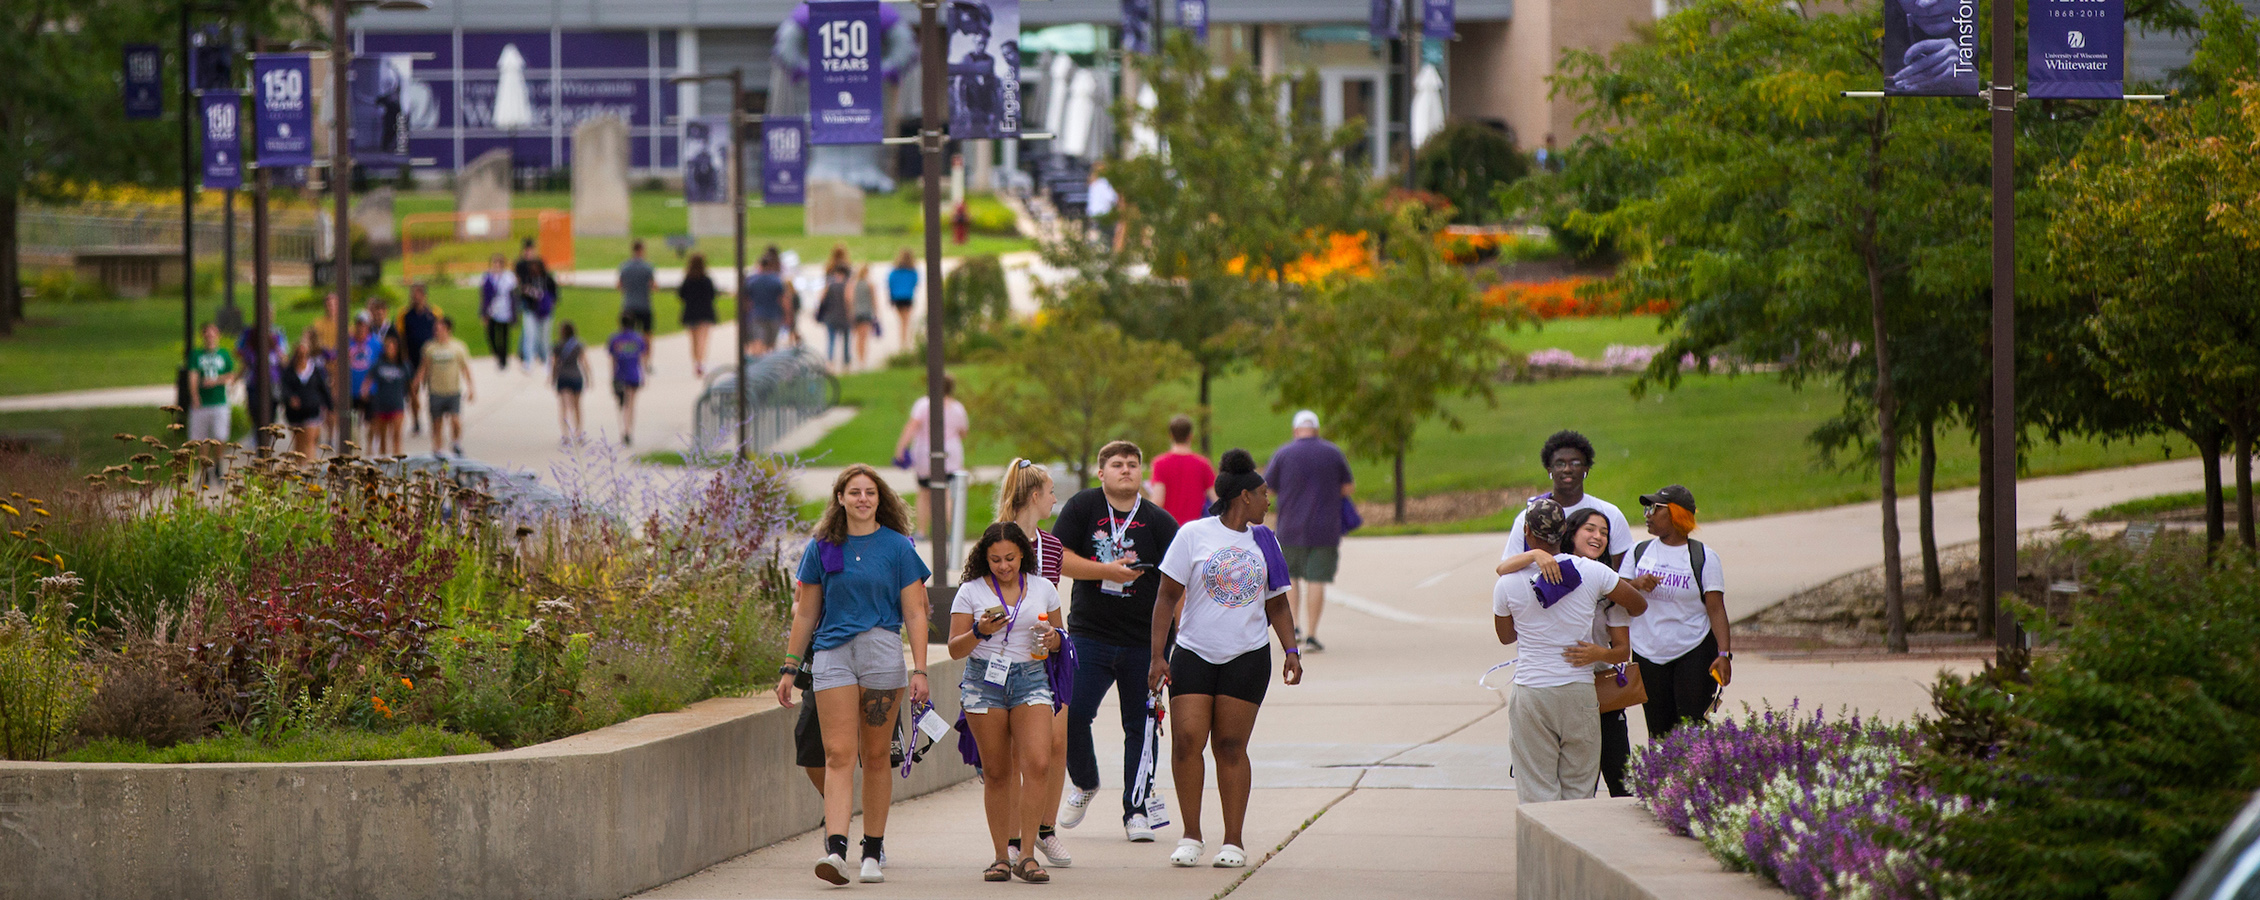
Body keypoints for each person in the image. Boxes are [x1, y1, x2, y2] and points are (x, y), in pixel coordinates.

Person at [777, 464, 933, 886]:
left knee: (878, 756)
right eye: (854, 492)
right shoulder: (824, 546)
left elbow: (915, 611)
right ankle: (836, 850)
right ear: (840, 498)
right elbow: (807, 611)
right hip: (832, 656)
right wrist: (790, 667)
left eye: (870, 492)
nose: (862, 499)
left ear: (879, 498)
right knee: (838, 756)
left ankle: (873, 851)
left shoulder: (898, 547)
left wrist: (920, 669)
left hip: (882, 651)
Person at [1148, 449, 1301, 869]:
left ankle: (1233, 840)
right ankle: (1191, 835)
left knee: (1231, 746)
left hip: (1247, 656)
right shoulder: (1193, 535)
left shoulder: (1266, 541)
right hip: (1195, 652)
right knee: (1186, 742)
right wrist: (1158, 656)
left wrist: (1291, 650)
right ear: (1244, 498)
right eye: (1264, 494)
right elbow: (1165, 597)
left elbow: (1278, 605)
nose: (1269, 502)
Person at [1053, 442, 1179, 843]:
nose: (1125, 470)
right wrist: (1104, 570)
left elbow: (1179, 583)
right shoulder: (1082, 508)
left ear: (1141, 472)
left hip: (1144, 640)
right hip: (1090, 634)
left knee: (1141, 726)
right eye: (1116, 464)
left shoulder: (1159, 521)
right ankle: (1086, 782)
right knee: (1071, 715)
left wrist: (1172, 643)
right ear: (1101, 472)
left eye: (1132, 464)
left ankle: (1137, 809)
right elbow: (1058, 558)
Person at [1490, 499, 1647, 804]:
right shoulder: (1592, 572)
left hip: (1532, 691)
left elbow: (1506, 637)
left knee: (1537, 786)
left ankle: (1541, 851)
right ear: (1564, 532)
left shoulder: (1507, 583)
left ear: (1526, 531)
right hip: (1578, 689)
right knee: (1579, 788)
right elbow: (1638, 604)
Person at [948, 522, 1066, 884]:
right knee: (998, 772)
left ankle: (1027, 855)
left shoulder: (1043, 588)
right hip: (985, 681)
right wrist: (980, 630)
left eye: (1010, 558)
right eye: (995, 560)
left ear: (1023, 555)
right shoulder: (970, 592)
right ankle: (1002, 856)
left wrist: (1053, 639)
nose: (1004, 566)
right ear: (984, 559)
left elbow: (1062, 639)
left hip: (1031, 676)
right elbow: (954, 649)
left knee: (1039, 763)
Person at [1621, 484, 1731, 741]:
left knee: (1693, 731)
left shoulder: (1704, 557)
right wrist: (1635, 584)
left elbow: (1716, 609)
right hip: (1648, 652)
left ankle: (1693, 781)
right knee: (1658, 731)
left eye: (1654, 509)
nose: (1647, 514)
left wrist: (1724, 654)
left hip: (1692, 651)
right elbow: (1617, 592)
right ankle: (1661, 781)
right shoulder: (1638, 552)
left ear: (1676, 514)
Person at [1264, 410, 1353, 653]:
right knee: (1317, 579)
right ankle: (1313, 634)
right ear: (1316, 430)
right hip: (1325, 528)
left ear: (1295, 431)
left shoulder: (1283, 454)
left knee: (1290, 578)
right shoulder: (1333, 453)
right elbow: (1348, 487)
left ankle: (1294, 628)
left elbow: (1267, 489)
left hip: (1290, 527)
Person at [1499, 429, 1634, 560]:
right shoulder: (1529, 517)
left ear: (1586, 469)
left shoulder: (1610, 514)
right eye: (1560, 464)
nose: (1567, 469)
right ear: (1549, 470)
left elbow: (1624, 572)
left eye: (1575, 463)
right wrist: (1535, 556)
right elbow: (1508, 569)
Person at [894, 372, 970, 492]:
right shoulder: (957, 408)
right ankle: (947, 512)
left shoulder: (923, 404)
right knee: (947, 492)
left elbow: (911, 427)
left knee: (924, 491)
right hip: (951, 453)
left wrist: (901, 448)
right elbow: (963, 433)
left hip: (926, 452)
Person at [414, 316, 475, 457]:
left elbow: (465, 369)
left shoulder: (458, 347)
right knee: (437, 423)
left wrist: (471, 388)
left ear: (447, 330)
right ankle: (438, 448)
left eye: (439, 329)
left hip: (452, 390)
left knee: (455, 420)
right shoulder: (430, 348)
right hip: (436, 391)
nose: (437, 332)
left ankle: (456, 442)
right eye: (435, 329)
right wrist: (416, 384)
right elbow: (423, 368)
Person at [188, 322, 238, 479]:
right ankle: (205, 468)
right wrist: (195, 396)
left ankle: (218, 461)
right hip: (202, 403)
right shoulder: (196, 355)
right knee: (201, 438)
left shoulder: (224, 354)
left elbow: (231, 375)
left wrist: (215, 380)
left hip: (219, 401)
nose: (210, 337)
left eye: (213, 334)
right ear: (203, 336)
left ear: (218, 336)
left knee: (220, 436)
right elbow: (193, 376)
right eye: (207, 334)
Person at [1148, 415, 1215, 526]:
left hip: (1169, 527)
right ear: (1190, 436)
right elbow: (1215, 498)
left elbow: (1158, 500)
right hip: (1196, 528)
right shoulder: (1203, 463)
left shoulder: (1160, 463)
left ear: (1171, 435)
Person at [397, 283, 440, 435]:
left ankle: (435, 419)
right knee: (412, 392)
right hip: (412, 358)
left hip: (429, 358)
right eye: (414, 294)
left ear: (424, 296)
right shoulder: (404, 315)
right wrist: (403, 357)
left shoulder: (434, 313)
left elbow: (439, 334)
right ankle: (416, 420)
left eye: (419, 294)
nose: (416, 297)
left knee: (434, 391)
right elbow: (401, 338)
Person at [280, 331, 329, 459]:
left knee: (310, 442)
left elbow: (323, 388)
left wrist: (329, 406)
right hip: (295, 413)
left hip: (312, 409)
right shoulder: (289, 371)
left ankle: (310, 468)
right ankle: (300, 470)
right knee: (298, 445)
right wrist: (290, 399)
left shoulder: (315, 370)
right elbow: (284, 388)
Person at [362, 333, 410, 458]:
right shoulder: (379, 364)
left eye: (392, 347)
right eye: (388, 347)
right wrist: (365, 391)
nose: (390, 350)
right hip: (381, 404)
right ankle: (384, 462)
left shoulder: (403, 365)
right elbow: (369, 378)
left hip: (397, 403)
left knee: (397, 436)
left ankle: (397, 460)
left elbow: (409, 383)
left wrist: (414, 399)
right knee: (382, 437)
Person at [606, 313, 649, 447]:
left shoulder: (615, 339)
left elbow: (612, 359)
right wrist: (643, 375)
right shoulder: (638, 339)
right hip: (634, 375)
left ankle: (624, 428)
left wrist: (612, 376)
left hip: (620, 375)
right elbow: (642, 359)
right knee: (631, 404)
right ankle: (629, 429)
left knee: (623, 404)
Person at [677, 252, 719, 375]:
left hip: (691, 312)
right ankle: (701, 362)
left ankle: (696, 362)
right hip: (705, 312)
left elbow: (681, 295)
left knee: (694, 340)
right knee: (703, 339)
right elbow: (712, 295)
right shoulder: (706, 280)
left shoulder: (687, 279)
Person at [742, 249, 789, 356]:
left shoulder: (752, 281)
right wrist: (787, 316)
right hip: (774, 315)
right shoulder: (777, 280)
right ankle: (767, 365)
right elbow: (784, 300)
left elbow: (746, 300)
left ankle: (757, 363)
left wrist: (745, 314)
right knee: (771, 344)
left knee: (757, 341)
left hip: (756, 315)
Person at [479, 253, 518, 370]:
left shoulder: (508, 277)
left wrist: (514, 313)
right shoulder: (487, 277)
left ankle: (503, 359)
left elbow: (513, 295)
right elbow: (484, 296)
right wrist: (483, 312)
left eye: (498, 263)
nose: (496, 266)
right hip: (492, 310)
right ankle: (497, 353)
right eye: (494, 263)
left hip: (505, 309)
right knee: (491, 335)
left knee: (504, 336)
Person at [518, 256, 559, 366]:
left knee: (544, 337)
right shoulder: (528, 279)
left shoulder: (548, 280)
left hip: (545, 313)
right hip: (530, 311)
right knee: (530, 336)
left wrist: (547, 302)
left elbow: (555, 296)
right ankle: (528, 360)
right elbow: (522, 295)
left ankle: (545, 359)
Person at [552, 321, 587, 444]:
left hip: (563, 377)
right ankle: (578, 432)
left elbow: (555, 364)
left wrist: (553, 378)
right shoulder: (578, 345)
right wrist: (588, 377)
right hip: (576, 376)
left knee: (564, 407)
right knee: (577, 406)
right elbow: (584, 362)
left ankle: (565, 435)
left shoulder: (558, 346)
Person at [817, 261, 853, 368]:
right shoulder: (848, 285)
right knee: (846, 340)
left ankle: (830, 361)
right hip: (844, 316)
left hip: (831, 316)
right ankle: (846, 362)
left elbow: (821, 299)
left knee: (831, 340)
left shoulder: (830, 285)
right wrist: (851, 314)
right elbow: (849, 301)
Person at [346, 318, 376, 448]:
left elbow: (377, 367)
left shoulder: (375, 344)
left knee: (371, 421)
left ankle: (369, 447)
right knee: (353, 422)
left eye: (363, 326)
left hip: (371, 389)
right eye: (358, 326)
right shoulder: (348, 343)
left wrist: (369, 384)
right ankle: (355, 447)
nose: (360, 330)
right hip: (352, 389)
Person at [617, 239, 656, 334]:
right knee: (647, 333)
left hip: (629, 305)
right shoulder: (648, 267)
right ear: (642, 250)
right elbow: (653, 286)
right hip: (644, 305)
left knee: (628, 334)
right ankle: (646, 349)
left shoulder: (624, 267)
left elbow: (619, 286)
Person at [887, 248, 918, 340]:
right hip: (907, 296)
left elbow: (890, 282)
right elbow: (915, 282)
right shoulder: (912, 271)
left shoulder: (895, 271)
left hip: (897, 297)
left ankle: (903, 340)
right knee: (906, 320)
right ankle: (905, 341)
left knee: (903, 320)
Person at [851, 264, 879, 365]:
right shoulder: (870, 285)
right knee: (864, 337)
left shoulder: (854, 284)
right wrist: (876, 313)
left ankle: (859, 357)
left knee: (858, 337)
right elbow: (874, 300)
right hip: (866, 312)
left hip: (856, 312)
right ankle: (863, 359)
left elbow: (851, 300)